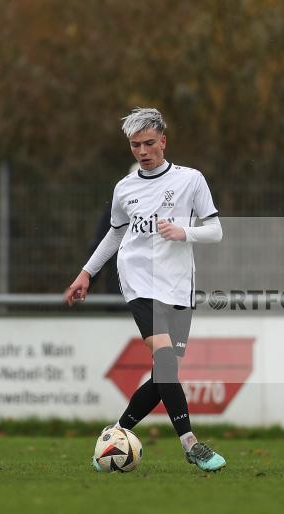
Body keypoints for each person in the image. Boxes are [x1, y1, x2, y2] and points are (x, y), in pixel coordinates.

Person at [64, 108, 226, 472]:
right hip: (138, 279)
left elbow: (215, 231)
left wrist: (184, 232)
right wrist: (86, 273)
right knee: (166, 362)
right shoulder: (125, 187)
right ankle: (191, 444)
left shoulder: (191, 180)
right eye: (135, 145)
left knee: (162, 374)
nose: (142, 151)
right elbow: (116, 233)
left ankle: (117, 434)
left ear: (163, 141)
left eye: (149, 143)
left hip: (179, 285)